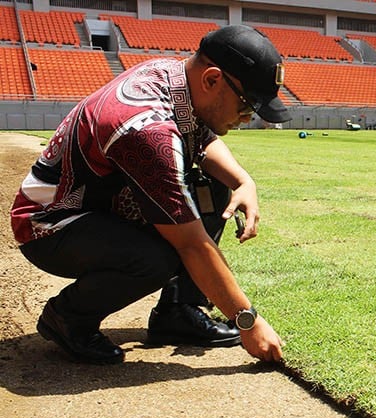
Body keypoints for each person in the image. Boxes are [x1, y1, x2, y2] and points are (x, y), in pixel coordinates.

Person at [10, 25, 289, 364]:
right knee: (158, 258)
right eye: (247, 105)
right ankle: (68, 316)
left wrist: (245, 182)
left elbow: (199, 136)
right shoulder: (146, 130)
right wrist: (248, 321)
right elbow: (192, 244)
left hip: (95, 205)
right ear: (212, 79)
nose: (247, 118)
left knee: (213, 186)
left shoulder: (174, 75)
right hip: (49, 225)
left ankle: (178, 313)